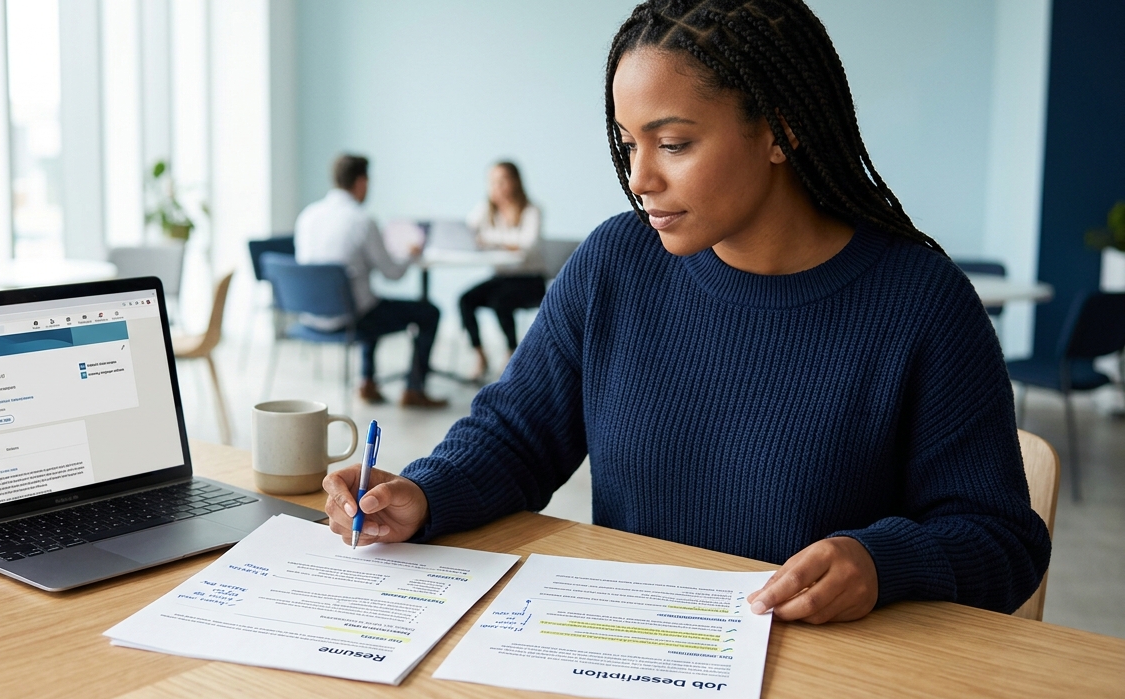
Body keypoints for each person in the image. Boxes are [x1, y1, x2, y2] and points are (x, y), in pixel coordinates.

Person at [320, 0, 1051, 623]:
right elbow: (517, 433)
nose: (639, 178)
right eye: (627, 143)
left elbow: (998, 538)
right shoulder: (616, 263)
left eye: (673, 143)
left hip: (834, 690)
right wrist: (423, 491)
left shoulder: (922, 305)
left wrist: (883, 562)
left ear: (780, 129)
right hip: (636, 653)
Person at [294, 154, 447, 408]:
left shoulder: (308, 216)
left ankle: (367, 382)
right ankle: (414, 388)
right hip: (349, 318)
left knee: (368, 299)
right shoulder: (362, 220)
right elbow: (393, 274)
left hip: (310, 315)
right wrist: (411, 254)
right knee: (428, 312)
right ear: (362, 181)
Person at [458, 162, 545, 380]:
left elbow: (526, 243)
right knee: (465, 300)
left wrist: (488, 239)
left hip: (530, 280)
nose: (497, 186)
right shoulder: (486, 210)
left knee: (500, 301)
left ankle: (512, 353)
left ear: (515, 181)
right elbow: (466, 232)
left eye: (502, 180)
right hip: (502, 278)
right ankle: (479, 354)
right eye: (493, 182)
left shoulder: (531, 210)